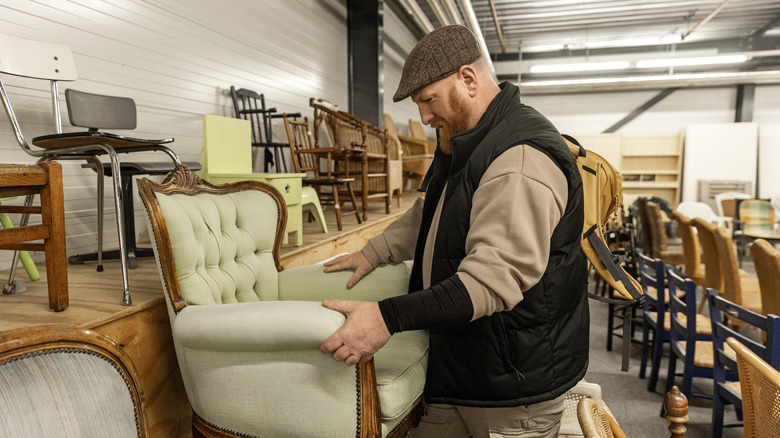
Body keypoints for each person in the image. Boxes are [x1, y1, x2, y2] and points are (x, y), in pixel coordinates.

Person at [320, 24, 589, 437]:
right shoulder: (466, 138)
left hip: (512, 387)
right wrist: (372, 252)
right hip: (460, 368)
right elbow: (433, 212)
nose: (424, 118)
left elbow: (490, 281)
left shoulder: (518, 157)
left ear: (468, 79)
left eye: (429, 100)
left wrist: (386, 318)